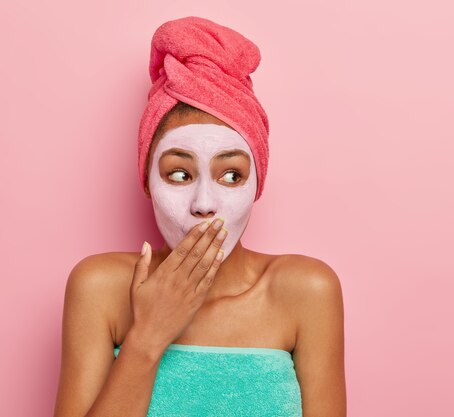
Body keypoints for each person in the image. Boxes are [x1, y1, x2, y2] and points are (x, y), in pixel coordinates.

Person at [53, 16, 346, 417]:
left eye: (231, 175)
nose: (204, 203)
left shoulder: (306, 291)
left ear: (257, 184)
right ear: (146, 182)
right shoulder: (100, 289)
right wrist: (148, 336)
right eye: (178, 173)